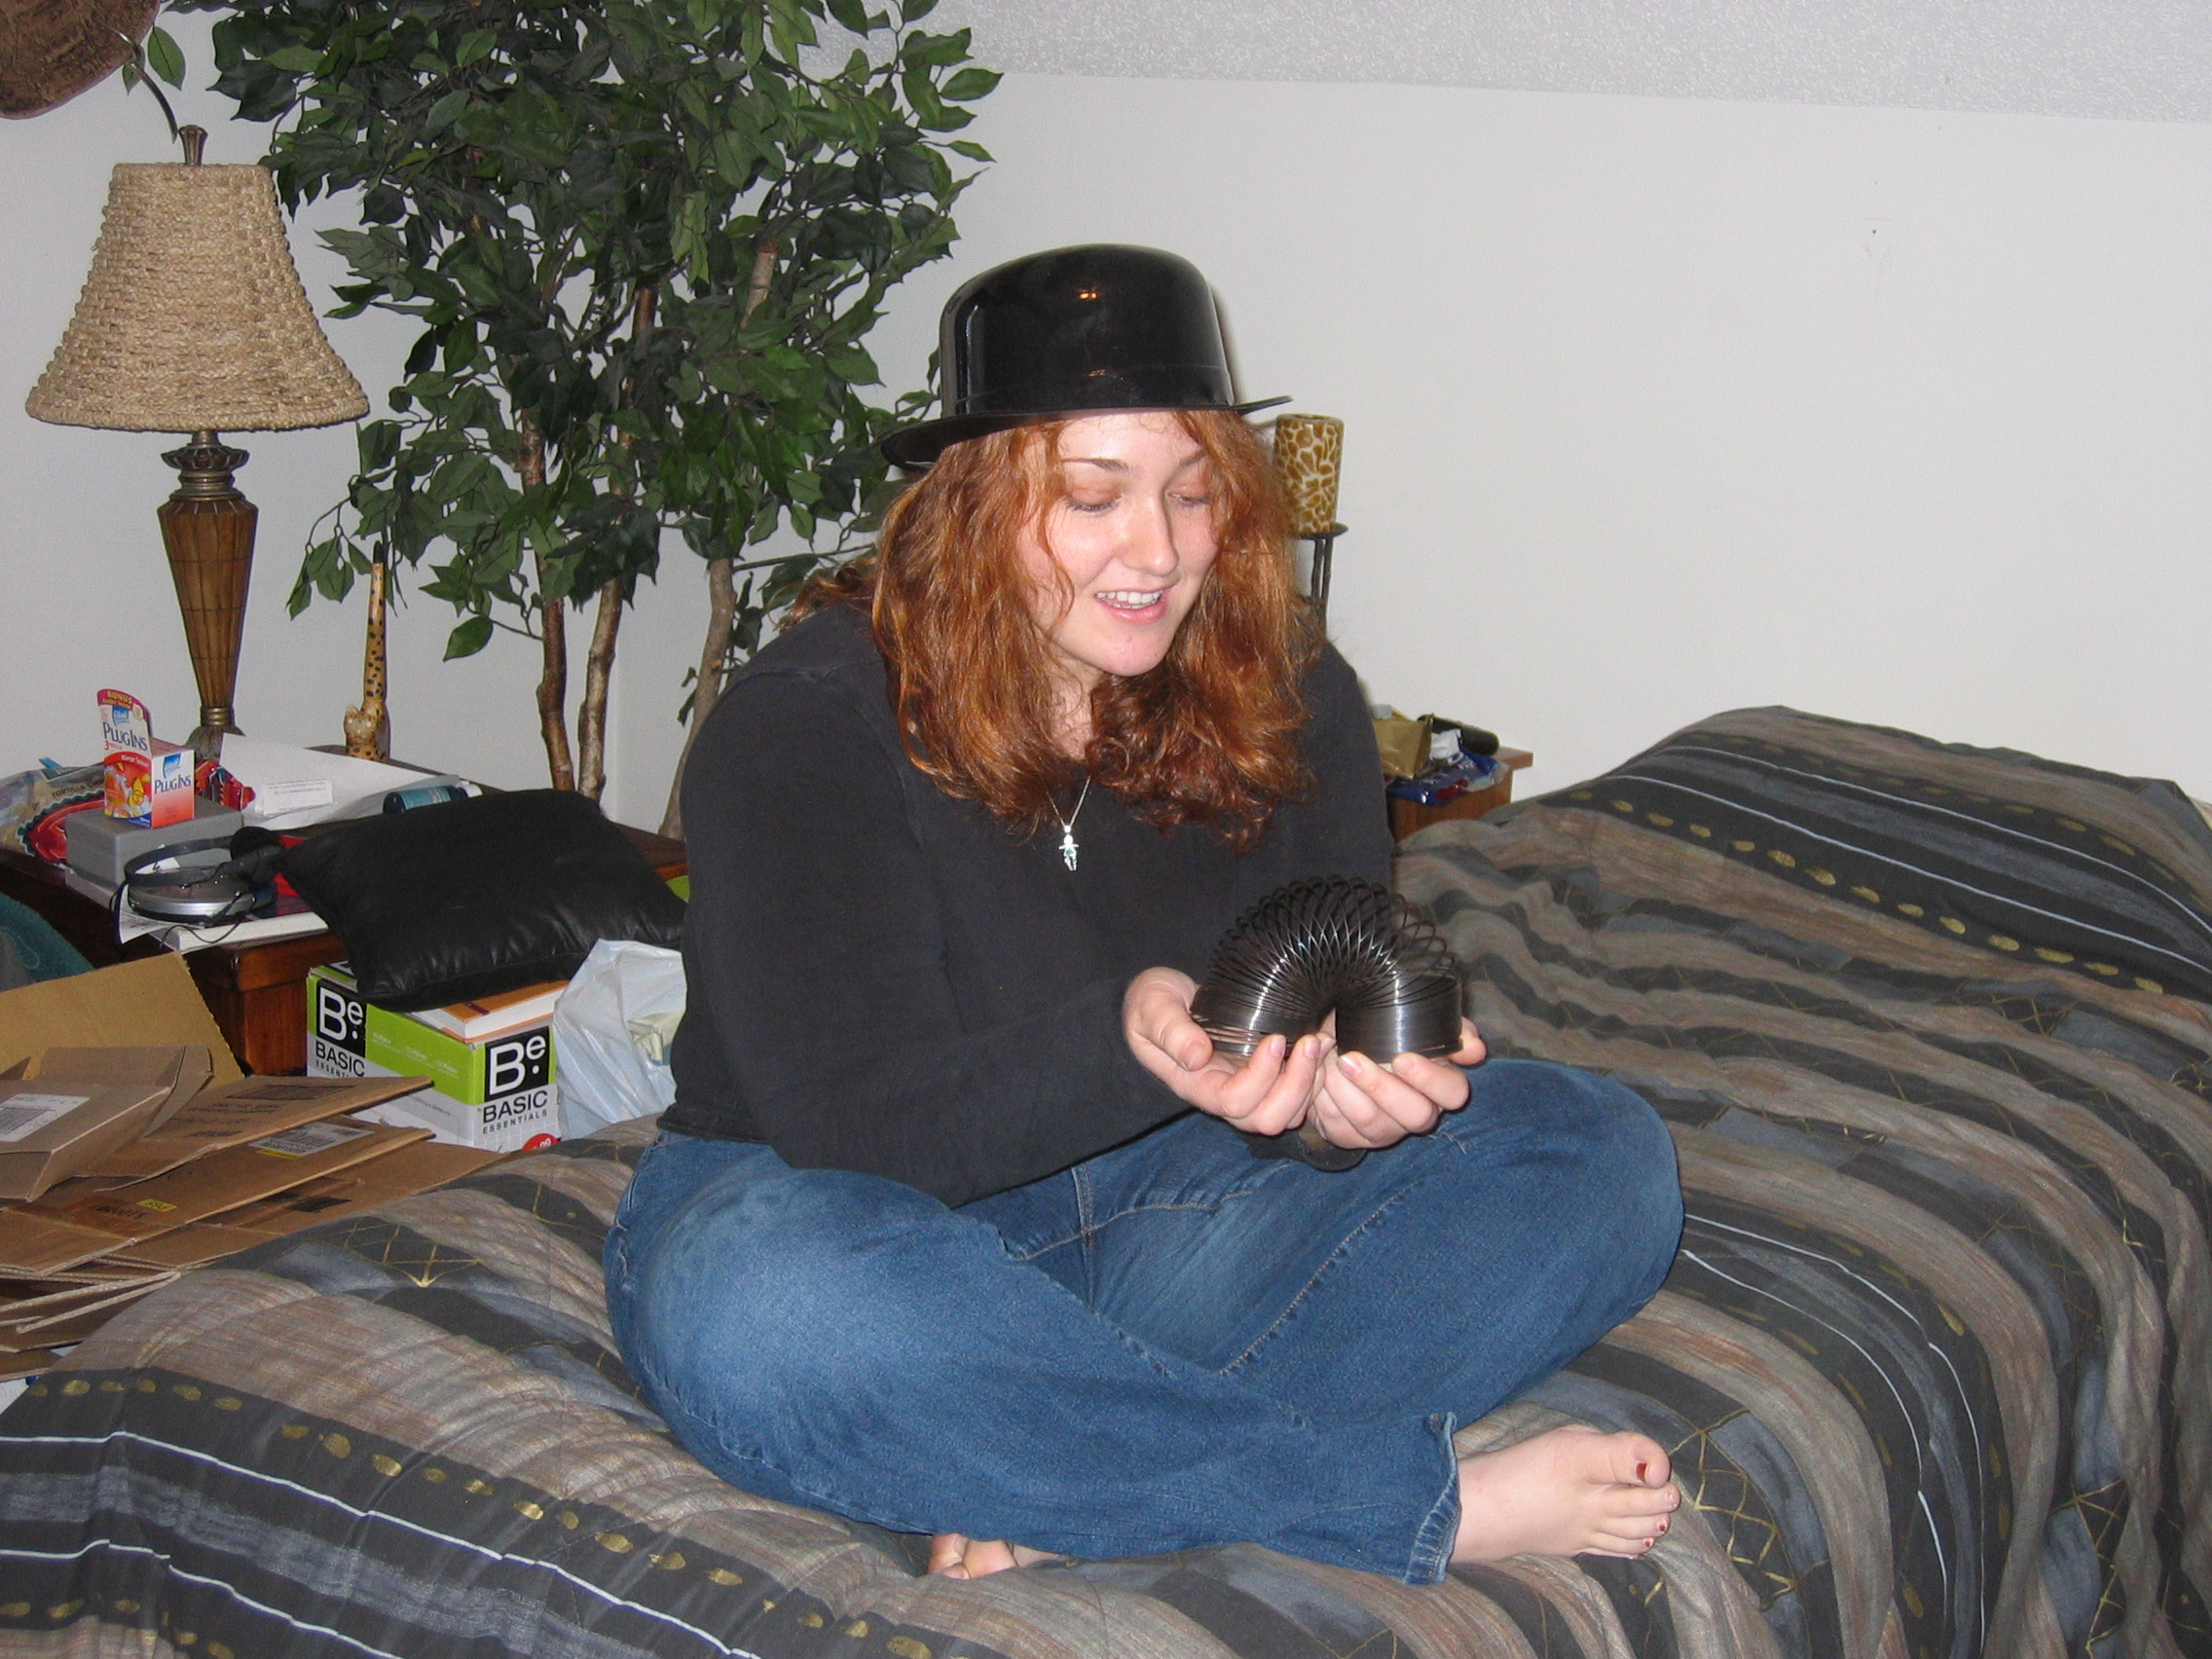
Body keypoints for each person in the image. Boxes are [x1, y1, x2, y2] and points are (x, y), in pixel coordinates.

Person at [605, 244, 1684, 1586]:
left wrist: (1334, 1112)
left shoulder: (1292, 694)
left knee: (1598, 1156)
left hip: (1177, 1201)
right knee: (770, 1308)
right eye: (1092, 498)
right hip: (839, 1210)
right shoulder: (805, 721)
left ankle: (1065, 1472)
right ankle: (1396, 1505)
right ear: (974, 501)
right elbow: (856, 1129)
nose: (1159, 552)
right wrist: (1125, 1036)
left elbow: (1314, 1029)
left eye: (1190, 492)